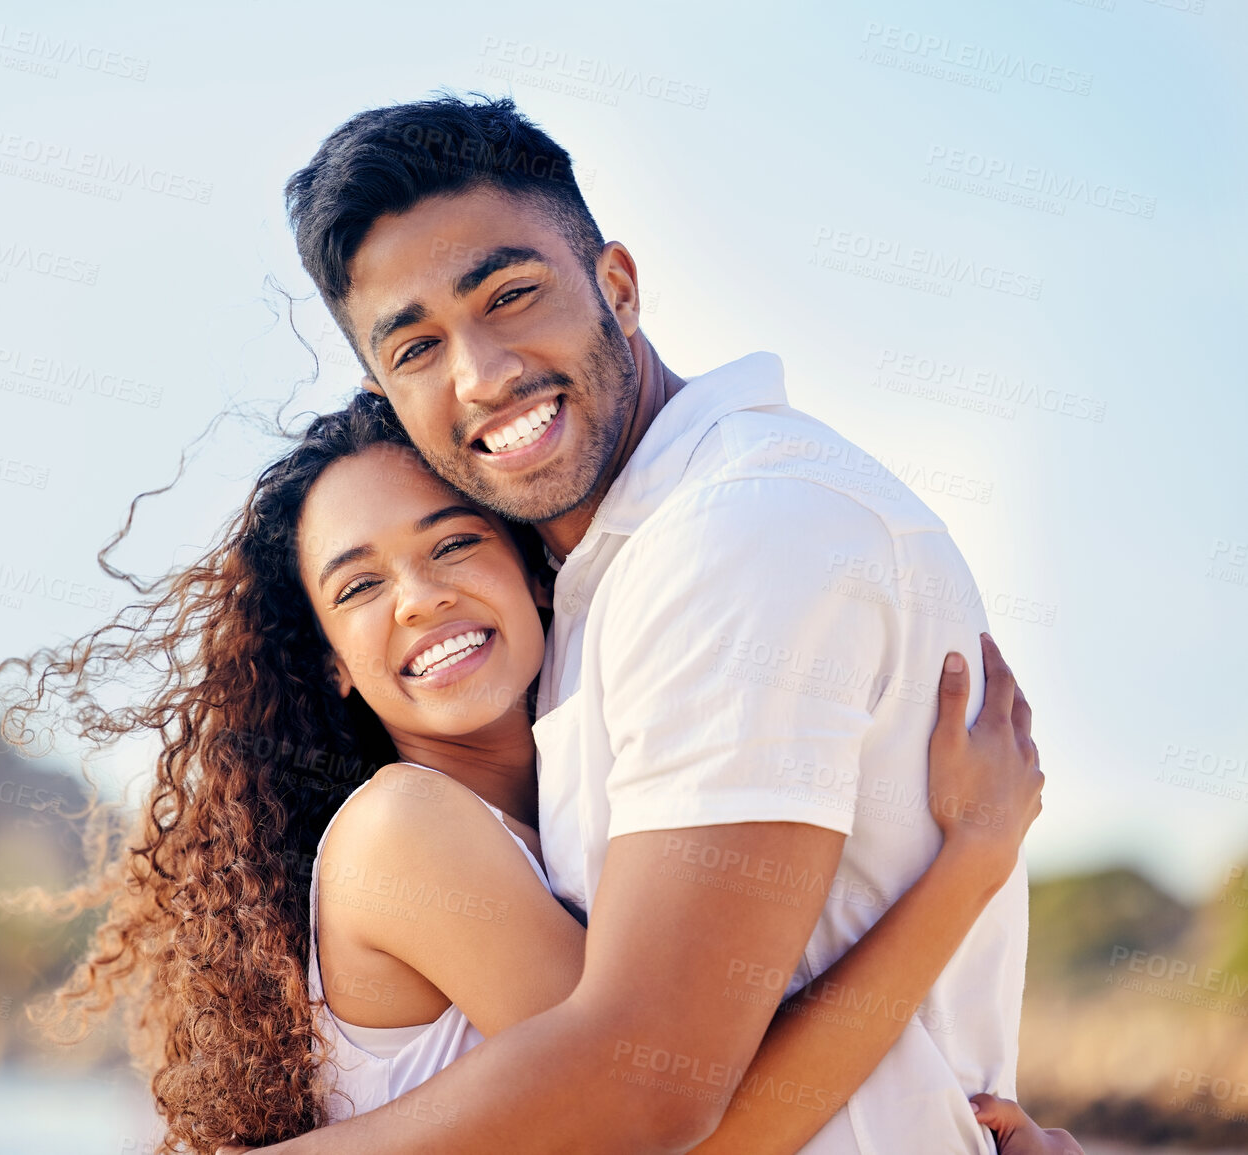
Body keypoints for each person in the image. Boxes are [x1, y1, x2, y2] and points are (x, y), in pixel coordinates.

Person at [217, 93, 1065, 1153]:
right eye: (417, 347)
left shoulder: (739, 535)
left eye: (512, 293)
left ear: (617, 285)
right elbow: (650, 1100)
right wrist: (967, 869)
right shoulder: (610, 580)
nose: (482, 373)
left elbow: (648, 1094)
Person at [0, 395, 1073, 1154]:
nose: (419, 598)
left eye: (454, 545)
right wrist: (969, 864)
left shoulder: (583, 828)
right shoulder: (408, 832)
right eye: (359, 589)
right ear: (333, 667)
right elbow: (691, 1128)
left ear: (534, 573)